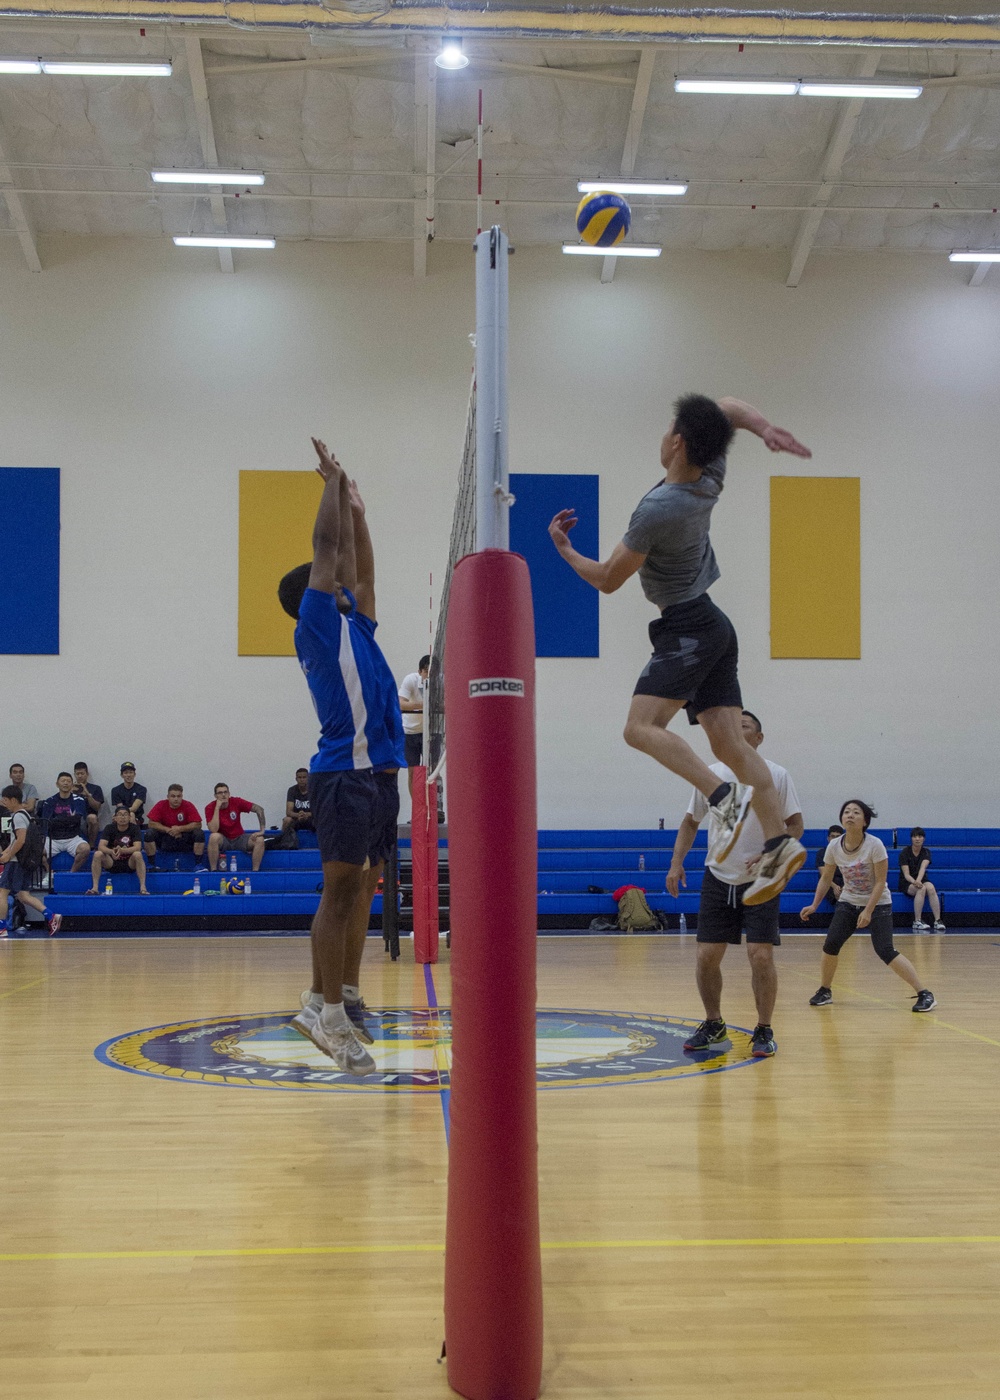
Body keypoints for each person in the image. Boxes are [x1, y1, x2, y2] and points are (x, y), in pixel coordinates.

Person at [549, 393, 810, 907]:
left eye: (669, 426)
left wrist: (563, 548)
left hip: (689, 625)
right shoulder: (710, 474)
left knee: (639, 728)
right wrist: (765, 428)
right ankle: (780, 842)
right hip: (713, 623)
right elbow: (729, 408)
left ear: (677, 442)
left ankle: (723, 799)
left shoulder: (658, 509)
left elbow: (605, 580)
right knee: (730, 747)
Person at [277, 438, 405, 1075]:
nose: (345, 585)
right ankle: (322, 1010)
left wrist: (357, 505)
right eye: (333, 586)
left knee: (364, 890)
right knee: (338, 893)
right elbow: (327, 553)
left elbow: (361, 566)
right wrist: (329, 486)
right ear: (316, 598)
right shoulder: (319, 625)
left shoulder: (358, 625)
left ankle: (345, 995)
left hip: (379, 777)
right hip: (343, 773)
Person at [666, 709, 803, 1059]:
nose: (737, 732)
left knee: (760, 956)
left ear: (758, 738)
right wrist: (676, 863)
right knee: (706, 956)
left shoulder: (776, 774)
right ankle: (714, 1023)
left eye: (746, 727)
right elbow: (689, 822)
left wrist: (772, 856)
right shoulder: (711, 776)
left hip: (760, 881)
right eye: (733, 727)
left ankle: (764, 1028)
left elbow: (795, 825)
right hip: (717, 877)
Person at [800, 800, 936, 1012]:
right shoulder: (834, 846)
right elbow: (826, 878)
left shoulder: (875, 845)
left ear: (865, 821)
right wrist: (814, 905)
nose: (850, 815)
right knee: (831, 945)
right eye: (846, 812)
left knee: (885, 950)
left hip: (878, 903)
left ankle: (924, 993)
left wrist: (868, 911)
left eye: (856, 812)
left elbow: (881, 882)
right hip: (848, 901)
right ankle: (825, 990)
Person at [0, 786, 62, 936]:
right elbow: (16, 840)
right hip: (22, 861)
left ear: (13, 800)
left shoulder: (18, 816)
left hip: (17, 862)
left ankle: (1, 928)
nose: (3, 802)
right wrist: (6, 852)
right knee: (23, 895)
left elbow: (20, 841)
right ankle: (51, 915)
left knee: (2, 892)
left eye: (5, 799)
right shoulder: (24, 815)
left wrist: (9, 856)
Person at [88, 805, 149, 895]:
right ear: (115, 818)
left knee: (138, 854)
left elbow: (137, 847)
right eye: (120, 815)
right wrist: (111, 851)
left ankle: (143, 887)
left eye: (125, 815)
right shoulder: (109, 828)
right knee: (97, 854)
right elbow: (101, 846)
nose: (122, 817)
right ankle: (95, 888)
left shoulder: (134, 828)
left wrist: (123, 851)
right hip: (112, 861)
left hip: (129, 862)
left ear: (129, 817)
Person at [38, 773, 91, 872]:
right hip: (53, 839)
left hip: (73, 838)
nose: (66, 783)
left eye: (68, 781)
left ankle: (71, 873)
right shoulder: (49, 801)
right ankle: (49, 874)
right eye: (63, 781)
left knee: (85, 849)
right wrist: (68, 819)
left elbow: (77, 819)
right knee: (35, 851)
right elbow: (47, 822)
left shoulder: (79, 800)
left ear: (72, 785)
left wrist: (57, 820)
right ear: (57, 784)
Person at [206, 785, 266, 872]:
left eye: (225, 792)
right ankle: (214, 870)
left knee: (260, 839)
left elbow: (259, 809)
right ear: (215, 796)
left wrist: (262, 830)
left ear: (229, 793)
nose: (223, 795)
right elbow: (213, 829)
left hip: (239, 838)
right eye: (220, 793)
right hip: (223, 839)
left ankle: (255, 871)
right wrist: (217, 808)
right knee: (213, 837)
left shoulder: (236, 801)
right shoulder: (210, 807)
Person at [144, 785, 205, 867]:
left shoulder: (188, 805)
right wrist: (168, 829)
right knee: (149, 833)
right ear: (168, 797)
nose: (176, 799)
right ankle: (151, 865)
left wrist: (180, 829)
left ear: (182, 796)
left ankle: (198, 865)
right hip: (165, 838)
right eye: (173, 796)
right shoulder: (161, 804)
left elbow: (198, 824)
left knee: (199, 833)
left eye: (178, 796)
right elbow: (151, 823)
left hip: (184, 839)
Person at [898, 827, 944, 932]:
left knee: (931, 888)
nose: (917, 839)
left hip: (921, 879)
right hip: (907, 882)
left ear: (923, 839)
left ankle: (938, 921)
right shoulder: (904, 853)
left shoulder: (926, 852)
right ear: (911, 839)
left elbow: (923, 868)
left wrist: (918, 881)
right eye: (915, 836)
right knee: (921, 889)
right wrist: (915, 882)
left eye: (920, 836)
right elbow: (906, 874)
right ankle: (917, 921)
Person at [398, 655, 430, 796]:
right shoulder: (410, 680)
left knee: (433, 770)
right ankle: (417, 811)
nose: (429, 676)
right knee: (413, 771)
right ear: (420, 671)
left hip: (430, 732)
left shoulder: (440, 681)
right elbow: (400, 703)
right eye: (426, 672)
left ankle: (434, 809)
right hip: (410, 732)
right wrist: (423, 705)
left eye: (432, 672)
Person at [72, 762, 105, 847]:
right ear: (74, 774)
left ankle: (91, 846)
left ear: (87, 774)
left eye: (82, 773)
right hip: (72, 817)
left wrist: (87, 794)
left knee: (92, 818)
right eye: (77, 774)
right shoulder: (69, 788)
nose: (80, 776)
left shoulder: (95, 788)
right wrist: (69, 792)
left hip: (87, 819)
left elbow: (97, 807)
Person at [111, 762, 147, 828]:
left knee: (132, 814)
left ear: (134, 774)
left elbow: (134, 808)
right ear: (122, 775)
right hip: (121, 816)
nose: (128, 775)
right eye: (126, 773)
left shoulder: (141, 789)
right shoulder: (115, 790)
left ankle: (134, 837)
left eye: (131, 772)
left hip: (137, 817)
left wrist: (119, 813)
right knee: (115, 818)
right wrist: (119, 814)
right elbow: (120, 808)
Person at [817, 824, 845, 909]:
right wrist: (835, 887)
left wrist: (845, 888)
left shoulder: (848, 852)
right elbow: (824, 873)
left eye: (838, 836)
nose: (835, 839)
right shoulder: (821, 853)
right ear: (828, 838)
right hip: (830, 882)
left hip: (845, 882)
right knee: (824, 879)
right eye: (832, 836)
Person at [283, 769, 314, 838]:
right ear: (296, 779)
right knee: (287, 820)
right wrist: (298, 815)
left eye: (304, 777)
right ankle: (284, 842)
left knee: (323, 820)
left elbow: (318, 811)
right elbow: (288, 812)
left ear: (308, 778)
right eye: (299, 777)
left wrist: (306, 815)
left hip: (310, 819)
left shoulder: (314, 791)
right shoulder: (292, 790)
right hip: (297, 819)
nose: (302, 780)